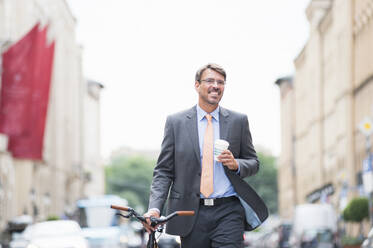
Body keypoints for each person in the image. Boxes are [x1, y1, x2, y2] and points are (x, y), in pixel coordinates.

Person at [143, 63, 268, 248]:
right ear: (196, 85)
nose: (216, 86)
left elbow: (253, 162)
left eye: (221, 82)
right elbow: (163, 171)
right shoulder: (176, 123)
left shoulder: (238, 121)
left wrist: (236, 164)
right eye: (210, 80)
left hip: (228, 210)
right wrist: (154, 208)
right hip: (190, 212)